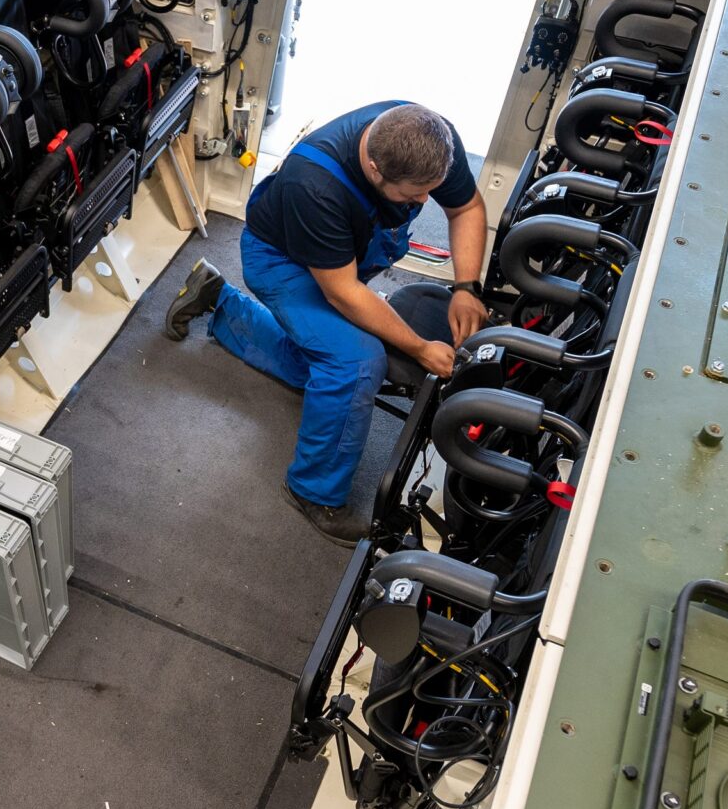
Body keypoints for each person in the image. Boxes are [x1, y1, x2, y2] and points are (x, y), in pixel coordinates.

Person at [162, 101, 488, 544]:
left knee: (312, 368)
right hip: (281, 260)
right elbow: (345, 293)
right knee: (353, 363)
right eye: (414, 197)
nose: (424, 202)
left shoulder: (429, 139)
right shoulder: (314, 184)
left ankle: (218, 300)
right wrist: (418, 347)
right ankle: (313, 491)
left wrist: (467, 287)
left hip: (344, 254)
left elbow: (466, 208)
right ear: (375, 169)